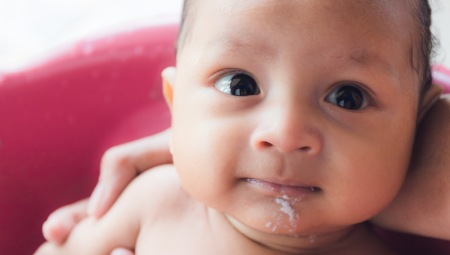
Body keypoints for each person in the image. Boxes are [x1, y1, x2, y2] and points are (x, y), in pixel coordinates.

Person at [35, 0, 450, 254]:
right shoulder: (155, 205)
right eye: (240, 85)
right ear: (176, 105)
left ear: (416, 125)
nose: (285, 132)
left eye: (348, 97)